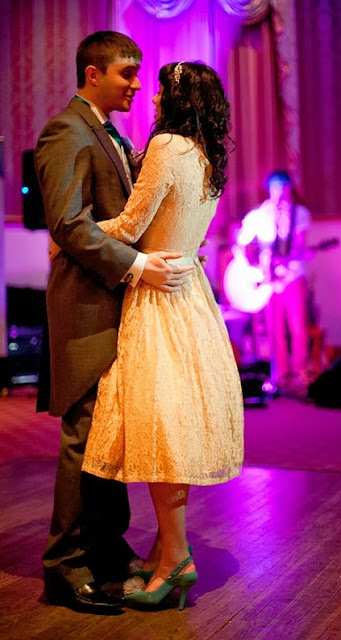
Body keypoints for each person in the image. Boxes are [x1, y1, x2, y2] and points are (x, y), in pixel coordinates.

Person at [35, 31, 195, 612]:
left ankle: (105, 548)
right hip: (85, 307)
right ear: (92, 73)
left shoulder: (109, 132)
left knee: (111, 438)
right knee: (84, 438)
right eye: (127, 72)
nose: (136, 84)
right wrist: (138, 265)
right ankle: (65, 565)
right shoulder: (67, 131)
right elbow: (69, 225)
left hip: (117, 305)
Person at [80, 61, 244, 610]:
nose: (150, 99)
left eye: (161, 90)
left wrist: (71, 236)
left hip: (157, 296)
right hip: (191, 291)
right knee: (170, 425)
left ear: (177, 98)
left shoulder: (169, 146)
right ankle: (165, 549)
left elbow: (130, 226)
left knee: (159, 431)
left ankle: (175, 557)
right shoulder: (205, 152)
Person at [236, 170, 312, 393]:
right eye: (276, 188)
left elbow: (299, 245)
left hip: (293, 276)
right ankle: (279, 376)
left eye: (284, 189)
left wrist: (296, 257)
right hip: (268, 280)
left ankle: (301, 373)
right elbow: (239, 243)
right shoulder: (259, 215)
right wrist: (249, 268)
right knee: (274, 328)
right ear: (269, 190)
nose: (280, 194)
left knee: (298, 326)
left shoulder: (300, 214)